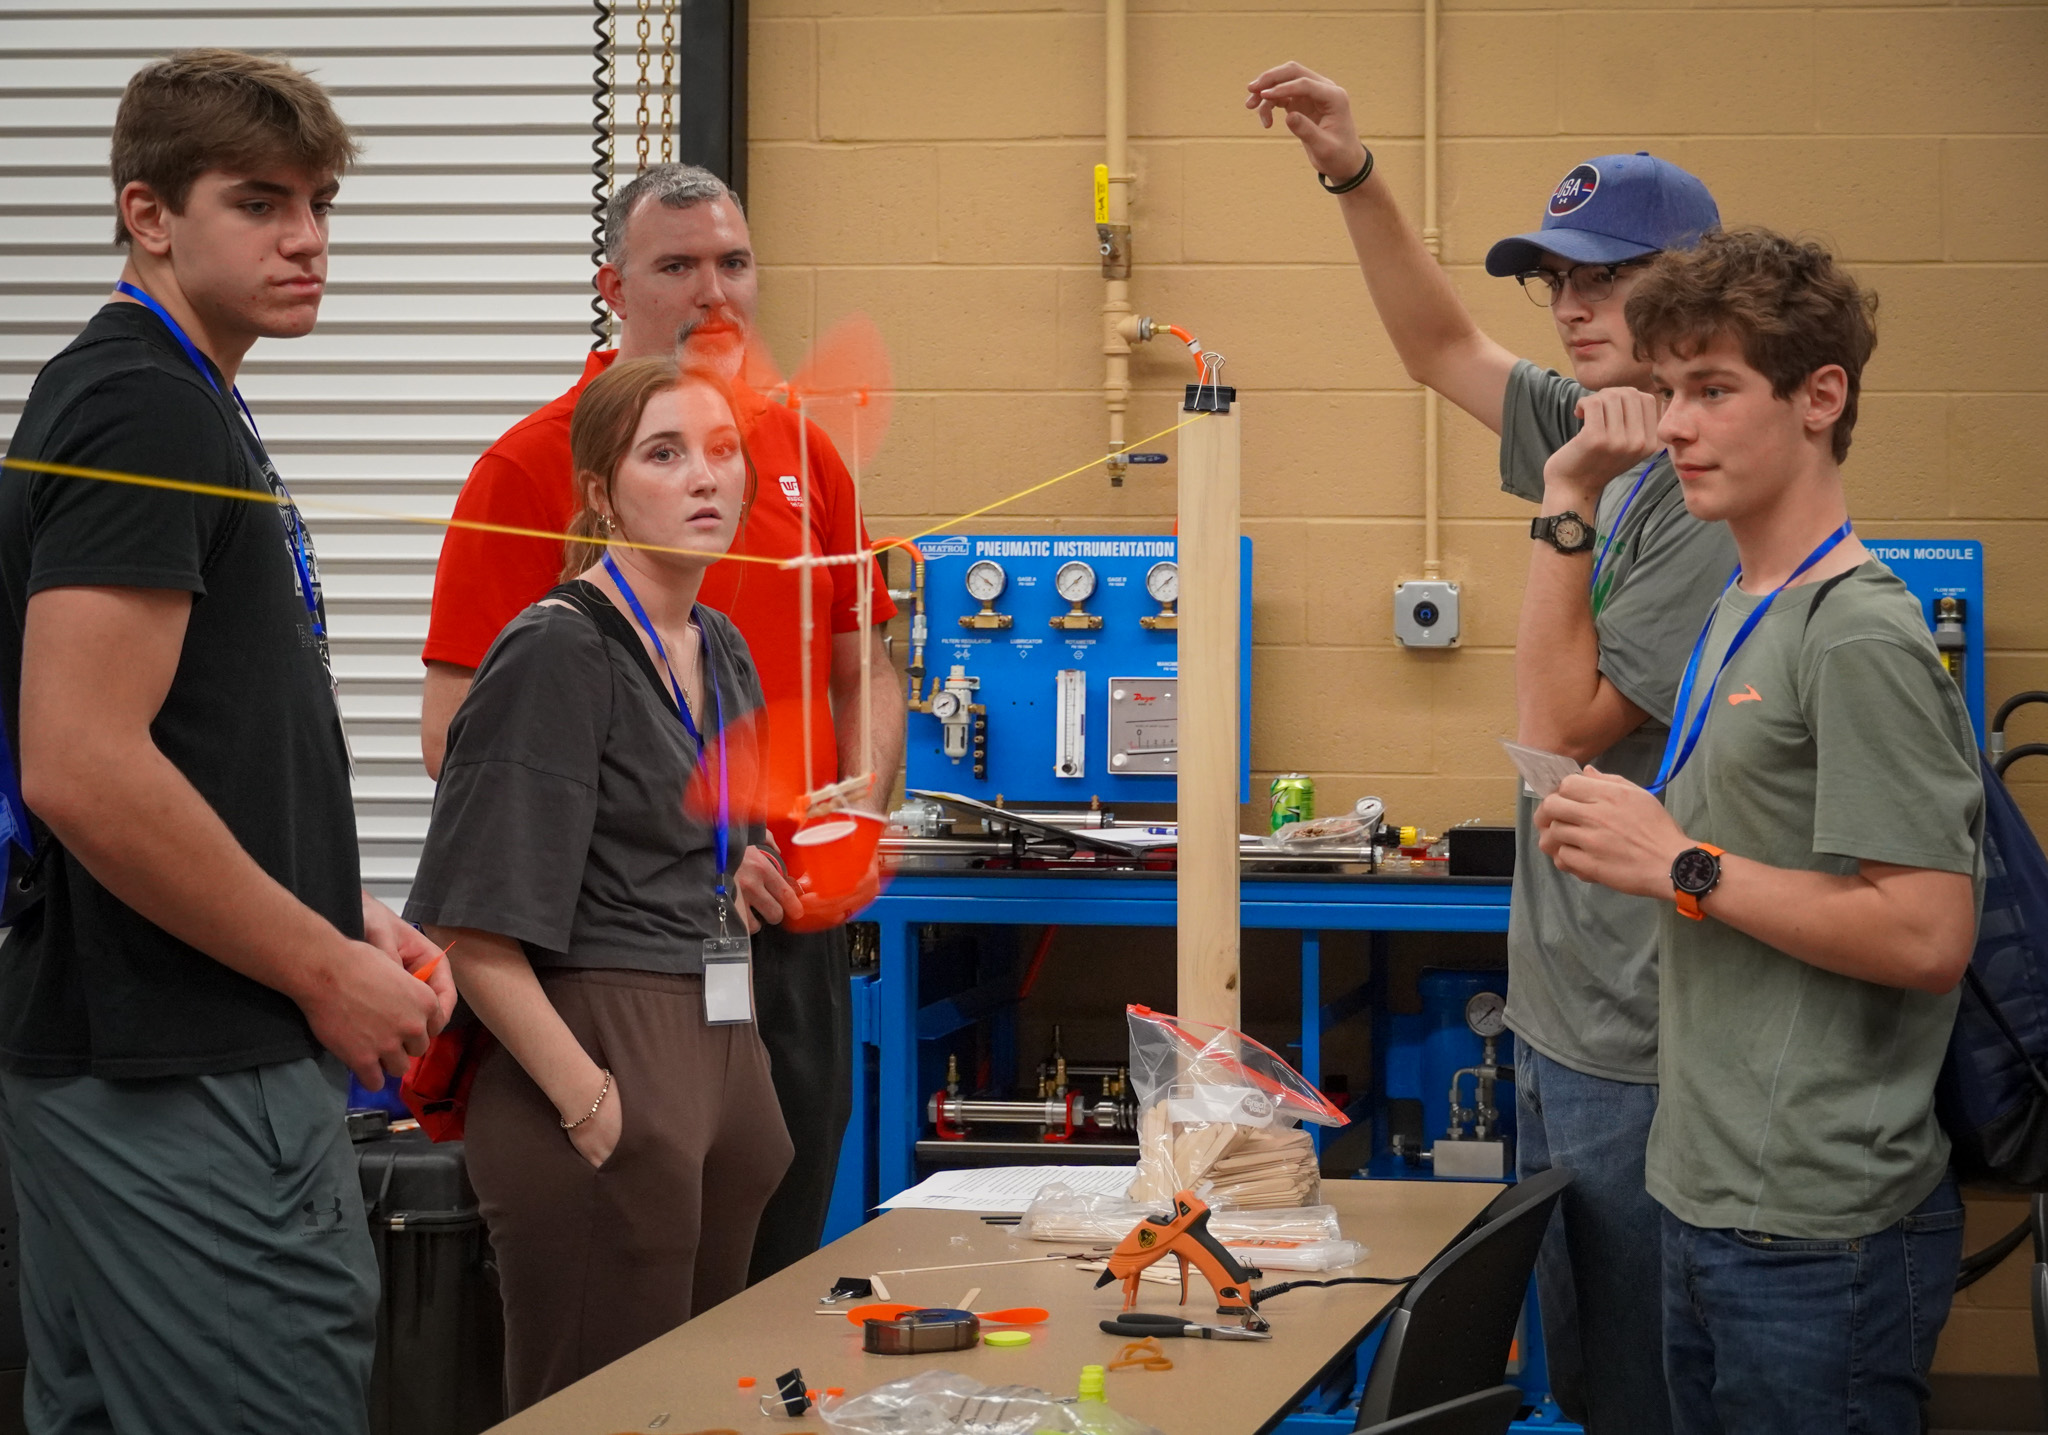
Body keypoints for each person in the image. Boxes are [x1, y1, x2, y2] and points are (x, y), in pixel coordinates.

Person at [1244, 63, 1733, 1432]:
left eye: (1603, 277)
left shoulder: (1695, 489)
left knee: (1640, 1378)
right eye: (1555, 282)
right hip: (1567, 995)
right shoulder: (1608, 434)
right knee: (1584, 1354)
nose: (1571, 307)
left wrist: (1562, 504)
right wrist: (1354, 172)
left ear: (1693, 290)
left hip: (1647, 1017)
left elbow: (1562, 726)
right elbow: (1439, 349)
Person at [0, 50, 451, 1435]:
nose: (307, 239)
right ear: (150, 215)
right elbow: (81, 760)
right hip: (178, 1072)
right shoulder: (144, 401)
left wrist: (339, 907)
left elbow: (198, 745)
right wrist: (322, 965)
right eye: (259, 202)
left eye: (319, 203)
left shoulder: (185, 399)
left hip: (145, 1054)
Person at [1536, 228, 1980, 1433]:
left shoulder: (1856, 635)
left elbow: (1927, 932)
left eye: (1713, 390)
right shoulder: (1743, 603)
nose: (1674, 425)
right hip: (1703, 1189)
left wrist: (1673, 861)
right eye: (1669, 390)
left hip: (1816, 1226)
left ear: (1818, 397)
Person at [421, 163, 900, 1280]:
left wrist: (856, 812)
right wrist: (689, 860)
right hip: (628, 961)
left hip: (789, 946)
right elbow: (457, 741)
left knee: (771, 1261)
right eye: (676, 267)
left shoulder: (799, 455)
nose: (713, 294)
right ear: (612, 286)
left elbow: (862, 665)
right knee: (630, 1285)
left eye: (732, 263)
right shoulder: (534, 466)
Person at [406, 355, 795, 1411]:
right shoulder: (556, 650)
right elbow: (466, 918)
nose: (702, 477)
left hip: (717, 1035)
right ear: (598, 490)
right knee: (598, 1406)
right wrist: (587, 1100)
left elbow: (686, 839)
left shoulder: (720, 645)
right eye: (663, 454)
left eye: (721, 452)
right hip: (599, 1036)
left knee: (698, 1402)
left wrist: (751, 868)